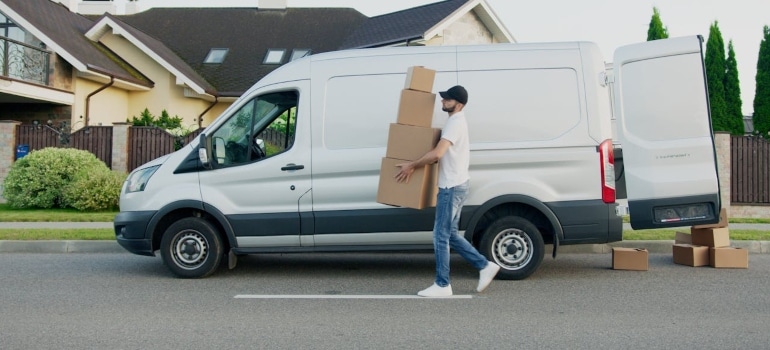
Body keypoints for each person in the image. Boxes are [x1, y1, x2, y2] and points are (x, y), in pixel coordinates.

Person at [394, 85, 500, 297]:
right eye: (443, 98)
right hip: (458, 184)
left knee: (440, 235)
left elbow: (437, 154)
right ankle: (484, 265)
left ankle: (442, 284)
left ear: (458, 104)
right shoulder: (456, 121)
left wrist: (411, 165)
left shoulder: (455, 122)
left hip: (451, 187)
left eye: (447, 99)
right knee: (450, 234)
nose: (442, 101)